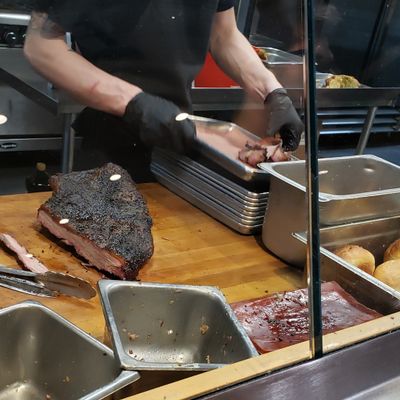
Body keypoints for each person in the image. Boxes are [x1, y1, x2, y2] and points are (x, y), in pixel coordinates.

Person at [22, 1, 303, 180]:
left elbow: (224, 34)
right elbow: (41, 46)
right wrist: (136, 103)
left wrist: (272, 91)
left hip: (179, 137)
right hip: (111, 138)